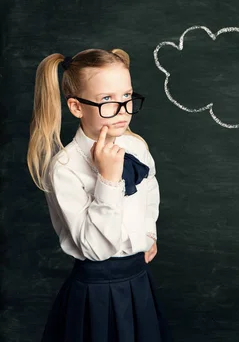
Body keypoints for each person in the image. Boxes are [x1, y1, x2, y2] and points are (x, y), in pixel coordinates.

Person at [27, 48, 172, 341]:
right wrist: (107, 179)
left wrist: (148, 232)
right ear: (77, 107)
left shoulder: (136, 147)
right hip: (96, 292)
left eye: (127, 96)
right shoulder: (65, 168)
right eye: (107, 100)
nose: (123, 109)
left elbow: (150, 190)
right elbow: (95, 249)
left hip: (138, 281)